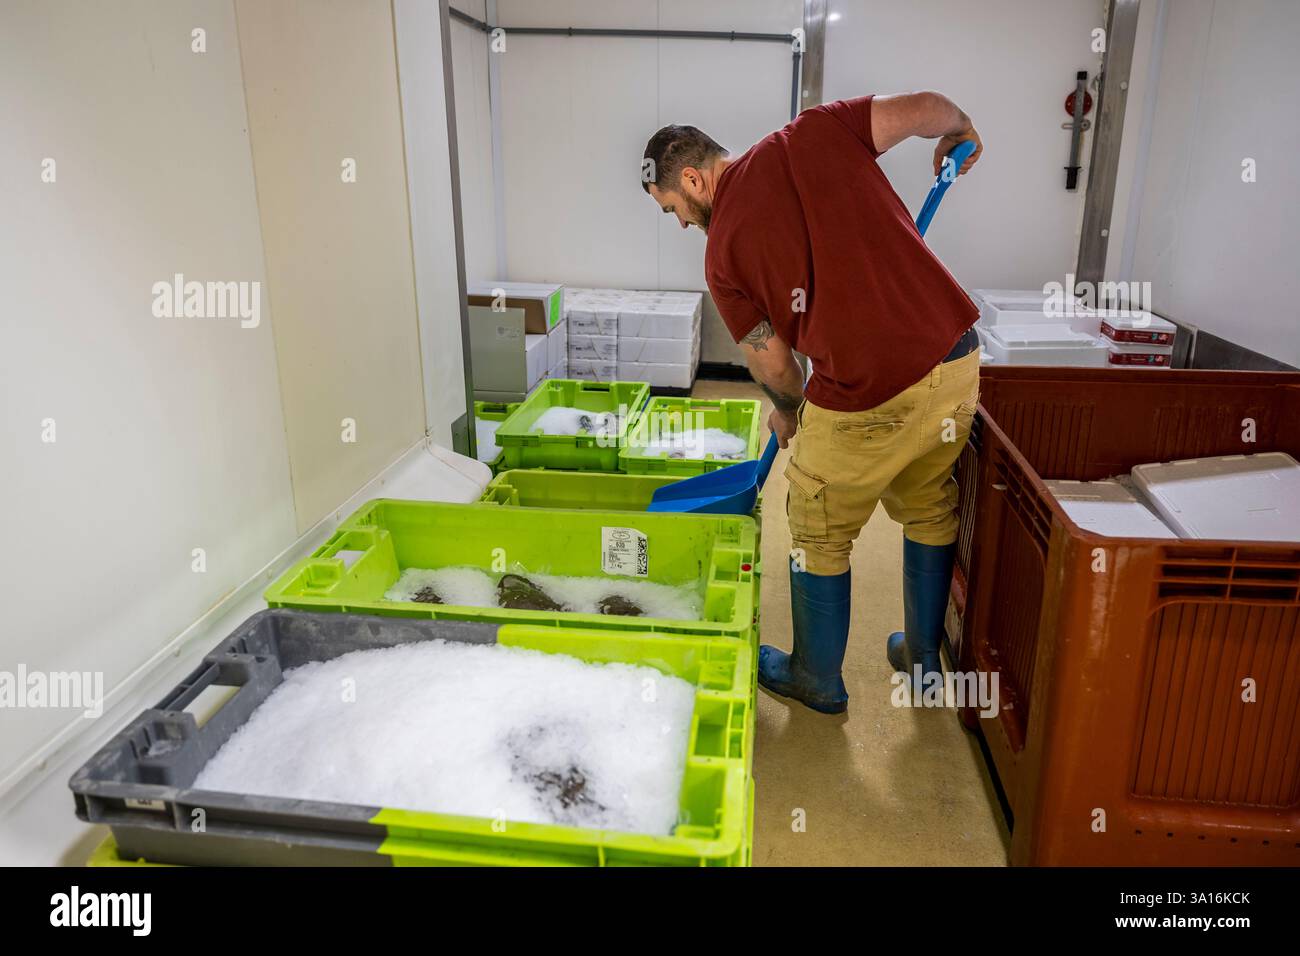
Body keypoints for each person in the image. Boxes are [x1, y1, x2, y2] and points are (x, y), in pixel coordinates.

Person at [642, 92, 982, 714]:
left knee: (818, 525)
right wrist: (959, 129)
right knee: (929, 503)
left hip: (865, 388)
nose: (684, 224)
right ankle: (925, 662)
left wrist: (791, 408)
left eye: (675, 209)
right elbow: (932, 106)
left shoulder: (722, 258)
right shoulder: (818, 130)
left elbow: (773, 360)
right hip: (955, 360)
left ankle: (815, 677)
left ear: (692, 178)